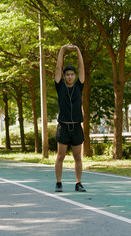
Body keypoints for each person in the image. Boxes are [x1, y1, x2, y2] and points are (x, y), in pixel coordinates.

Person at [54, 44, 86, 192]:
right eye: (67, 74)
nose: (70, 76)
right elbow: (58, 67)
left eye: (72, 74)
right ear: (64, 76)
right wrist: (63, 50)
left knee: (78, 157)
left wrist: (77, 50)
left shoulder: (79, 86)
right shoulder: (60, 86)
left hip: (77, 127)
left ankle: (78, 183)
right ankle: (59, 183)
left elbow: (82, 67)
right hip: (63, 127)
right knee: (60, 156)